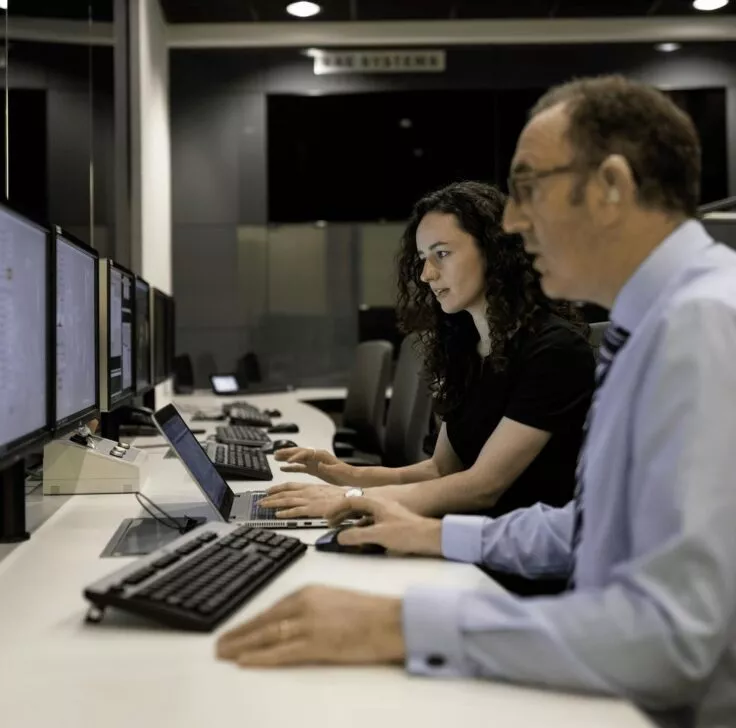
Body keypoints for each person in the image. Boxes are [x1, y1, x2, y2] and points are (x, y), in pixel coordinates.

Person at [216, 76, 736, 728]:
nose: (514, 222)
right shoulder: (656, 323)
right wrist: (428, 532)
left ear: (611, 187)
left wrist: (400, 623)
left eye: (527, 189)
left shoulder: (704, 325)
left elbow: (674, 639)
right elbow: (587, 526)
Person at [260, 182, 594, 534]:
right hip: (457, 534)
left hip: (511, 554)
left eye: (442, 254)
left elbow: (483, 487)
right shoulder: (465, 347)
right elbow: (440, 471)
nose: (426, 274)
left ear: (495, 250)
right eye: (422, 259)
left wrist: (351, 497)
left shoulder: (554, 350)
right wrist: (347, 474)